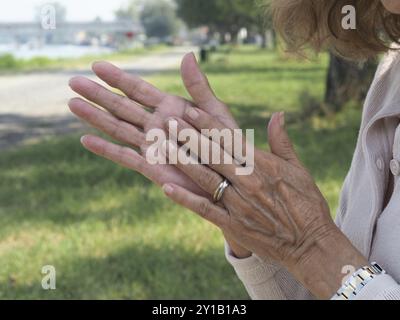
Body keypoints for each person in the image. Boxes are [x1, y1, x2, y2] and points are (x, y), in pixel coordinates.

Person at [68, 0, 400, 300]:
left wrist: (311, 246)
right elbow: (336, 288)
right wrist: (248, 216)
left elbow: (335, 271)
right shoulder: (392, 72)